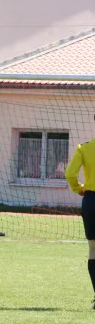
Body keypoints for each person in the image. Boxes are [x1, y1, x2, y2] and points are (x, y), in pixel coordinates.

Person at [65, 122, 95, 309]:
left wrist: (79, 189)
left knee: (93, 249)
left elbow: (70, 174)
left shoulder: (84, 148)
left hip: (92, 201)